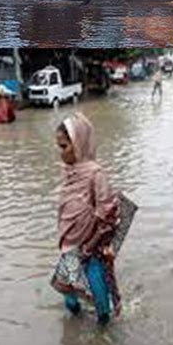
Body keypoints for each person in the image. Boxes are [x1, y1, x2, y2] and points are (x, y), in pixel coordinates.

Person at [51, 113, 120, 325]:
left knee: (101, 304)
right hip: (70, 244)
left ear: (79, 144)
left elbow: (107, 211)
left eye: (64, 147)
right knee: (70, 299)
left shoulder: (95, 174)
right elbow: (68, 211)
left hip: (90, 245)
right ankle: (75, 325)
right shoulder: (69, 172)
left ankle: (103, 340)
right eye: (59, 147)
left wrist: (90, 245)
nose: (60, 153)